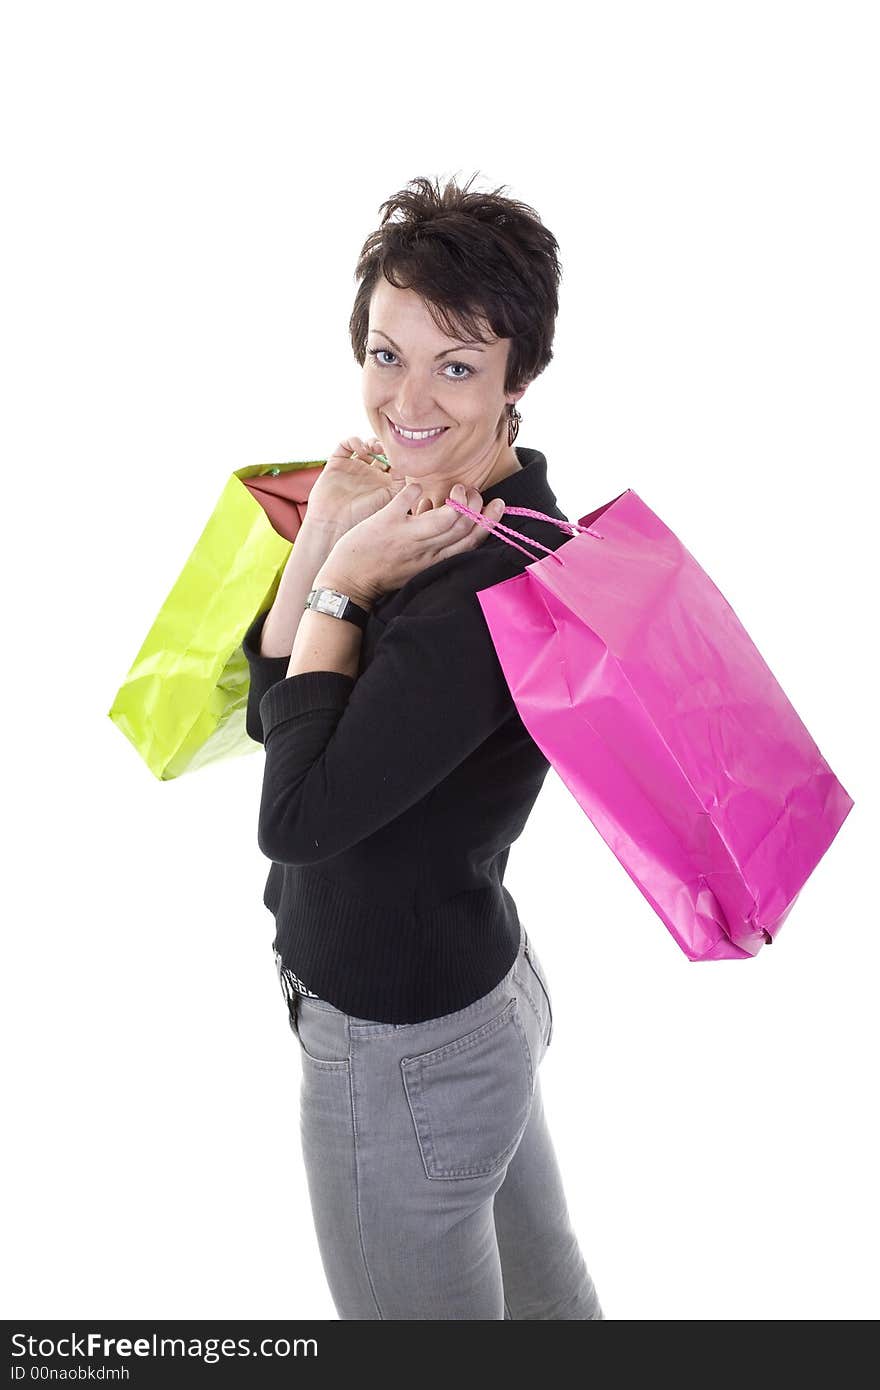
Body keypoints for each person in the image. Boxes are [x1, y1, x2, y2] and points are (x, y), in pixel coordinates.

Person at [242, 172, 605, 1320]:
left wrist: (345, 582)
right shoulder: (446, 508)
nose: (407, 401)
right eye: (386, 354)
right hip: (467, 1004)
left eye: (456, 365)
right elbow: (273, 709)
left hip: (404, 1055)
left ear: (519, 379)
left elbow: (293, 814)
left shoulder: (482, 589)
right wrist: (327, 552)